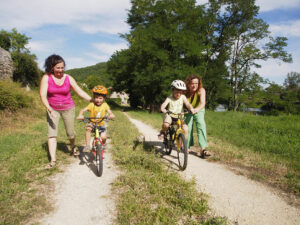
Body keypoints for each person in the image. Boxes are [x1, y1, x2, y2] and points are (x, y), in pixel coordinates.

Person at [40, 54, 92, 169]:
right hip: (52, 109)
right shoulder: (46, 77)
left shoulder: (68, 78)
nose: (60, 70)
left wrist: (92, 100)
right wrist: (49, 109)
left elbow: (79, 91)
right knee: (52, 134)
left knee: (70, 132)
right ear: (51, 67)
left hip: (68, 108)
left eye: (62, 67)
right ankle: (53, 160)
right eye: (58, 68)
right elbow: (43, 96)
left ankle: (73, 148)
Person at [76, 85, 115, 152]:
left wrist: (111, 115)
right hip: (92, 123)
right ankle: (88, 145)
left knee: (103, 137)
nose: (98, 100)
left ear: (104, 99)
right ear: (94, 98)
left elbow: (109, 112)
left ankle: (103, 145)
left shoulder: (105, 105)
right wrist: (80, 115)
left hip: (101, 124)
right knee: (88, 129)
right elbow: (83, 110)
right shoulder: (91, 104)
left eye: (100, 98)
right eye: (96, 98)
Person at [184, 74, 211, 157]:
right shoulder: (185, 91)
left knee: (201, 124)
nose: (194, 85)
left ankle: (203, 149)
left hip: (198, 109)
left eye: (196, 83)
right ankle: (187, 146)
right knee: (188, 127)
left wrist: (197, 110)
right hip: (188, 110)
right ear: (188, 83)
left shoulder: (201, 90)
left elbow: (203, 103)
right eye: (192, 83)